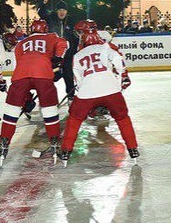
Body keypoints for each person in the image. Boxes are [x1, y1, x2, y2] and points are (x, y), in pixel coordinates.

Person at [58, 30, 139, 165]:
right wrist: (120, 77)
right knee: (123, 118)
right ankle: (133, 148)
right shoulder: (106, 47)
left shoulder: (77, 55)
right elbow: (118, 60)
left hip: (87, 91)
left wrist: (84, 88)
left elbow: (77, 78)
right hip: (111, 89)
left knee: (74, 120)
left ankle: (66, 151)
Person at [0, 19, 68, 165]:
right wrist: (57, 58)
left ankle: (4, 142)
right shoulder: (51, 36)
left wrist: (27, 100)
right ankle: (54, 140)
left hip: (20, 76)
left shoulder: (21, 44)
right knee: (49, 110)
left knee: (11, 111)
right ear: (45, 29)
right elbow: (64, 43)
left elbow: (22, 67)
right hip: (43, 74)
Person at [37, 0, 79, 99]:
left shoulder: (71, 21)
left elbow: (76, 38)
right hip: (53, 56)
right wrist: (44, 3)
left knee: (69, 77)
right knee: (50, 77)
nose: (62, 12)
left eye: (64, 10)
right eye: (60, 10)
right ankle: (45, 95)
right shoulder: (51, 18)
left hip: (68, 56)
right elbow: (41, 13)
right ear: (56, 11)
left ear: (66, 11)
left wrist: (75, 50)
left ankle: (71, 96)